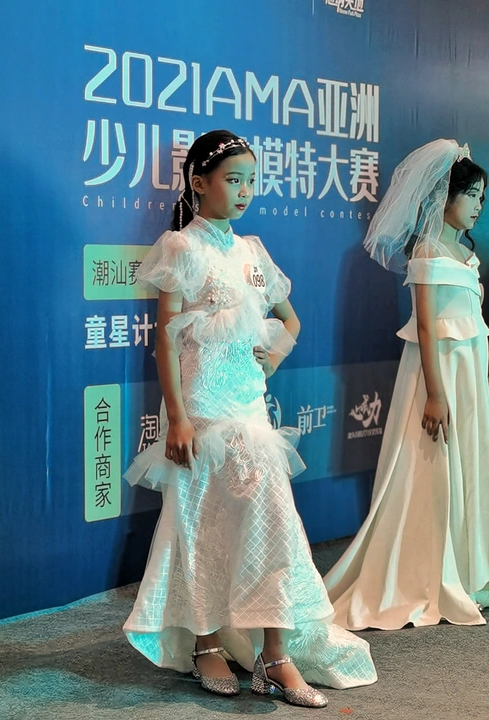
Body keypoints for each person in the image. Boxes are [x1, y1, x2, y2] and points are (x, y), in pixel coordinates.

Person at [122, 129, 377, 706]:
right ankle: (206, 644)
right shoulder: (182, 248)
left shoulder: (252, 251)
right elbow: (166, 342)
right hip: (201, 409)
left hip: (249, 407)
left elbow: (291, 320)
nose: (244, 191)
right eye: (233, 180)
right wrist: (178, 419)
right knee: (200, 524)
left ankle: (275, 655)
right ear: (199, 183)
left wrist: (274, 356)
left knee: (274, 520)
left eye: (252, 181)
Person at [325, 139, 489, 630]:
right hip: (438, 376)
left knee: (469, 461)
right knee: (433, 463)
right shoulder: (427, 251)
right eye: (472, 195)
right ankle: (428, 570)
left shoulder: (464, 252)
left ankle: (467, 568)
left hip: (469, 374)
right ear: (444, 195)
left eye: (482, 198)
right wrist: (435, 394)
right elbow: (425, 328)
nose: (478, 206)